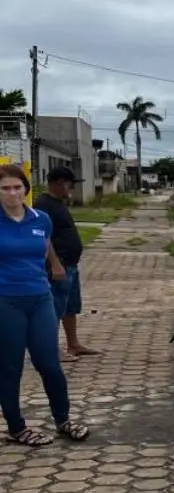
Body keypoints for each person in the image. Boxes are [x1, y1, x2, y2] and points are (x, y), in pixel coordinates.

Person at [0, 164, 89, 446]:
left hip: (40, 298)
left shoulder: (40, 219)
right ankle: (17, 427)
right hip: (6, 302)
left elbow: (46, 245)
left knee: (49, 364)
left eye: (17, 187)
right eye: (5, 188)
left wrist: (55, 265)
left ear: (26, 188)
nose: (12, 193)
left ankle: (63, 420)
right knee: (10, 368)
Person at [34, 166, 99, 361]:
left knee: (70, 308)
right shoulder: (43, 205)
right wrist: (55, 264)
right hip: (58, 266)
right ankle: (51, 350)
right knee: (54, 308)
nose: (71, 189)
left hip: (70, 264)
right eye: (70, 184)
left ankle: (73, 344)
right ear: (59, 183)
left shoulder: (58, 203)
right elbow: (44, 238)